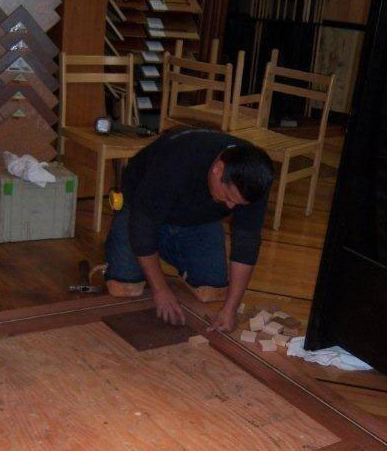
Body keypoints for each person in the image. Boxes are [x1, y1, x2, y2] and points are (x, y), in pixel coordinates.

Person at [104, 127, 274, 332]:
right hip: (141, 209)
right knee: (124, 288)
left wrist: (231, 309)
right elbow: (142, 228)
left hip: (197, 218)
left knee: (212, 290)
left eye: (238, 204)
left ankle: (164, 246)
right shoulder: (176, 161)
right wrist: (160, 290)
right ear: (218, 169)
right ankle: (139, 246)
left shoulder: (253, 181)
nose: (230, 208)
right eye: (228, 198)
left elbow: (247, 244)